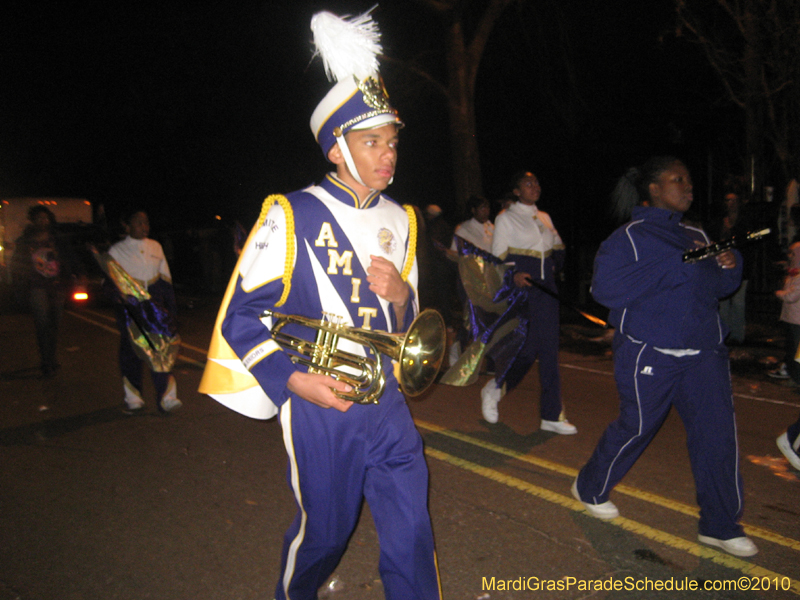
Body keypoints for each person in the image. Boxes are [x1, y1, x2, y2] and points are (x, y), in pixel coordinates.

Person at [199, 10, 441, 600]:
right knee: (326, 535)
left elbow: (407, 322)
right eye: (371, 142)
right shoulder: (292, 213)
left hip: (387, 400)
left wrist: (403, 295)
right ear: (337, 149)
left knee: (413, 531)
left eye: (391, 142)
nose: (388, 154)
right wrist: (293, 381)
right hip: (321, 402)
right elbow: (241, 315)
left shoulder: (402, 218)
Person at [572, 156, 757, 558]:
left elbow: (716, 287)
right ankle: (590, 485)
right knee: (637, 426)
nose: (688, 186)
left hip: (703, 352)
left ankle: (720, 525)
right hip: (650, 350)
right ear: (654, 189)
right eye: (678, 179)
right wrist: (677, 266)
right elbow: (606, 289)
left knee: (717, 437)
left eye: (689, 180)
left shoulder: (695, 232)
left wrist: (729, 264)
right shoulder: (630, 237)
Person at [480, 171, 577, 434]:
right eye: (528, 183)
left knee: (549, 352)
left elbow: (558, 247)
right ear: (516, 191)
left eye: (536, 182)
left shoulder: (544, 217)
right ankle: (495, 388)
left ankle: (551, 415)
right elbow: (498, 259)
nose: (535, 187)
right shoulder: (505, 218)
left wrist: (555, 263)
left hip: (547, 290)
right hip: (524, 291)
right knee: (526, 350)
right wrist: (514, 275)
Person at [107, 210, 182, 414]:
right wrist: (119, 296)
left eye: (146, 222)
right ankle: (134, 397)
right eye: (138, 222)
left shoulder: (156, 246)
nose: (144, 226)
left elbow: (165, 279)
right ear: (126, 225)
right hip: (130, 309)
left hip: (154, 308)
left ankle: (167, 397)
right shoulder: (117, 250)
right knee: (132, 352)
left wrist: (171, 309)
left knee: (162, 350)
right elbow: (110, 282)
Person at [11, 205, 80, 377]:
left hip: (57, 285)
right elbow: (16, 263)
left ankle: (52, 356)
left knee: (54, 324)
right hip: (36, 286)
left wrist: (79, 274)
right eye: (39, 218)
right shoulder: (25, 241)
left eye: (45, 218)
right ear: (33, 221)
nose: (43, 221)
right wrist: (19, 285)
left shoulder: (57, 239)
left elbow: (70, 257)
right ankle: (46, 361)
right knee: (42, 323)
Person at [770, 242, 800, 385]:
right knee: (792, 349)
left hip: (797, 320)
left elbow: (792, 296)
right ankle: (793, 375)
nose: (790, 257)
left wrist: (779, 293)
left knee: (796, 351)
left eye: (793, 254)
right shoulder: (794, 273)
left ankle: (797, 378)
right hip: (792, 318)